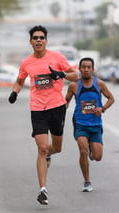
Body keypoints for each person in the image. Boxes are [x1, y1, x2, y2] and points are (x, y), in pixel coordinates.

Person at [8, 25, 78, 205]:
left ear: (46, 41)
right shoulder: (27, 63)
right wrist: (14, 92)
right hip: (37, 109)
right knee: (41, 148)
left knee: (57, 148)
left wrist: (60, 74)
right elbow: (19, 80)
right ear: (30, 41)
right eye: (35, 38)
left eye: (41, 37)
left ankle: (48, 155)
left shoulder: (57, 57)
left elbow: (75, 75)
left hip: (57, 107)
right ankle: (43, 190)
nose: (38, 40)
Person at [65, 57, 114, 192]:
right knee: (83, 150)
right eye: (83, 67)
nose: (86, 69)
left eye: (89, 67)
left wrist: (102, 108)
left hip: (95, 124)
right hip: (80, 123)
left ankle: (92, 149)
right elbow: (66, 101)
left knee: (98, 157)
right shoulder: (74, 85)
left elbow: (111, 98)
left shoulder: (100, 84)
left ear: (92, 69)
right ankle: (87, 181)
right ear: (79, 69)